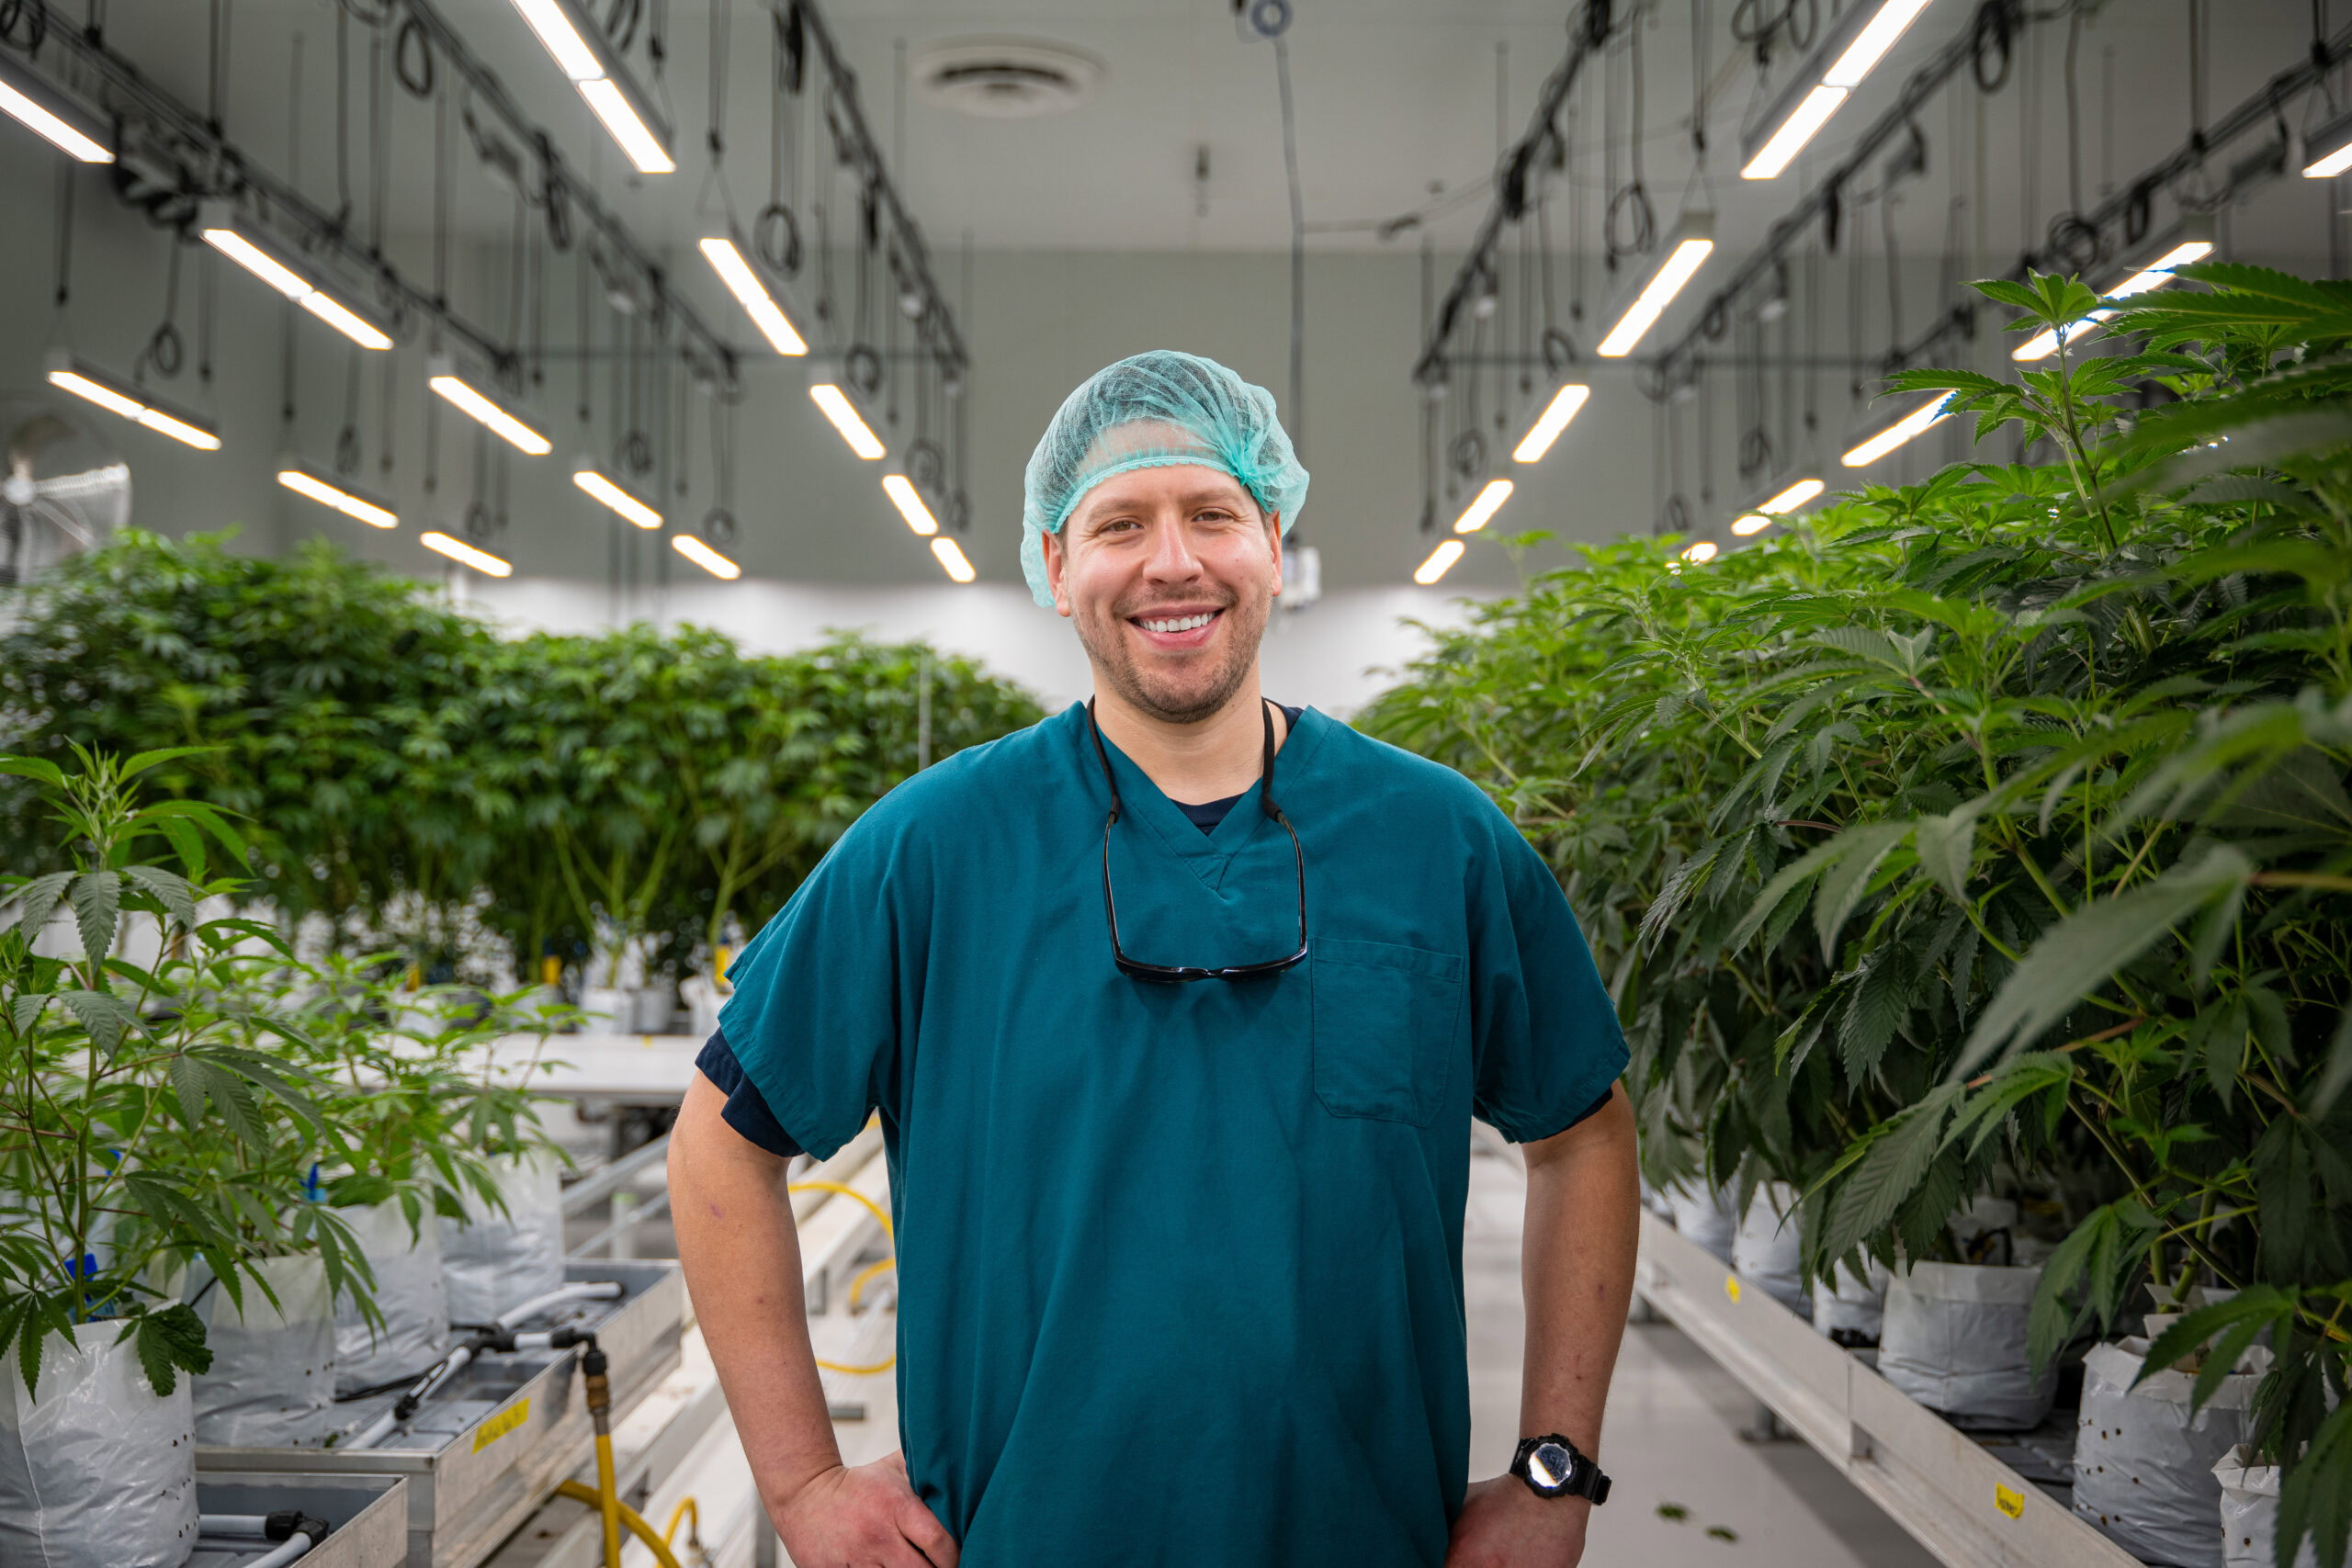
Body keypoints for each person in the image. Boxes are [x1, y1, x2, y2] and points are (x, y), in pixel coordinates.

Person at [669, 350, 1640, 1568]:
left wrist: (1555, 1470)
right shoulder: (930, 852)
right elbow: (720, 1135)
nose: (1172, 560)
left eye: (1213, 514)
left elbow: (1585, 1129)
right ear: (1057, 564)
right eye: (1121, 522)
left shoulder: (1436, 842)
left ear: (1274, 543)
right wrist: (805, 1481)